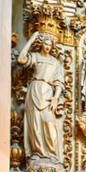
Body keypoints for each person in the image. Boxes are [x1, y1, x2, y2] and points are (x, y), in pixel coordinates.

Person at [18, 31, 64, 164]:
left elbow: (59, 82)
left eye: (50, 45)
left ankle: (52, 153)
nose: (48, 46)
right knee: (35, 123)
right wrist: (31, 40)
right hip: (35, 89)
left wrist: (55, 98)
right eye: (46, 44)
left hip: (48, 92)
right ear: (41, 44)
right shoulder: (35, 57)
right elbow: (21, 59)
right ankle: (37, 153)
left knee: (49, 122)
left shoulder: (55, 62)